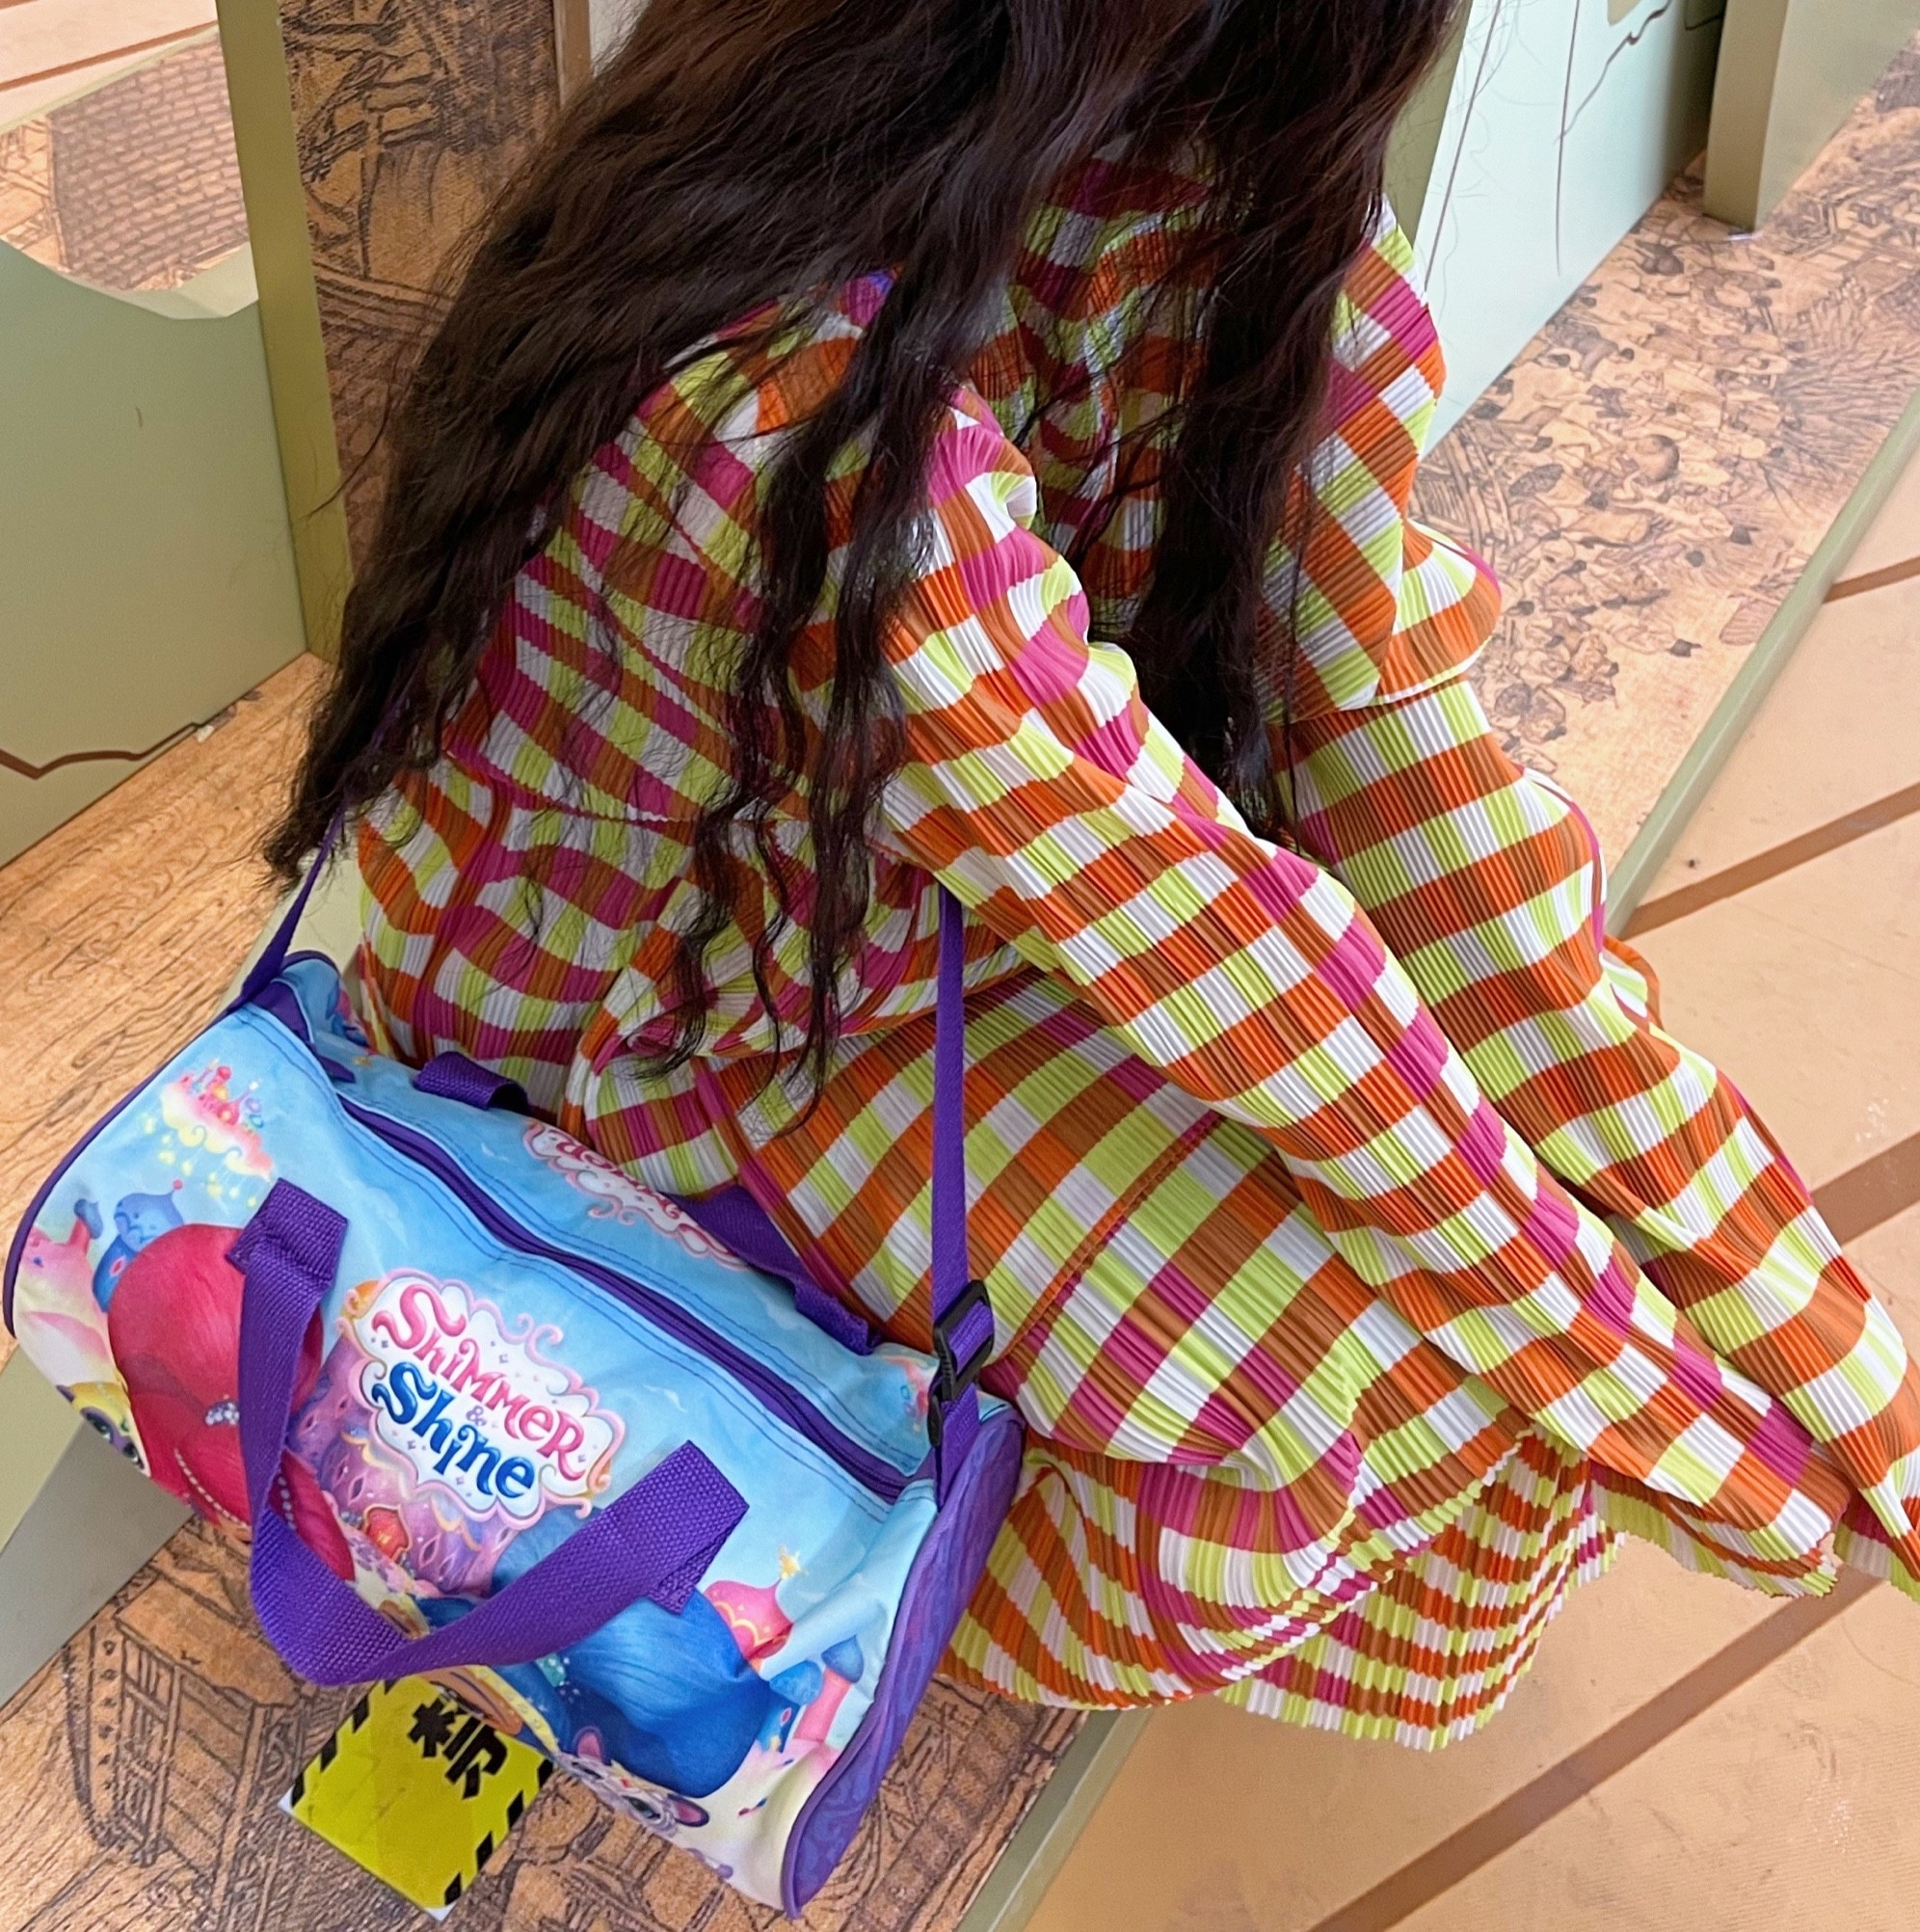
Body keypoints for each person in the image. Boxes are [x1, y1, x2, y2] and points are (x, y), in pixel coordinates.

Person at [269, 0, 1920, 1747]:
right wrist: (1643, 1383)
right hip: (635, 1010)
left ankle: (840, 1473)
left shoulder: (1200, 185)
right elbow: (1202, 935)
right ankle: (824, 1565)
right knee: (1379, 1396)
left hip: (897, 899)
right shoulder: (776, 401)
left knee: (1477, 1276)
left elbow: (1394, 765)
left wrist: (1790, 1322)